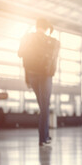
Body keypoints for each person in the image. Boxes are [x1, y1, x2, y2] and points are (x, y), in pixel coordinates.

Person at [18, 18, 60, 147]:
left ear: (36, 26)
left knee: (42, 106)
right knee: (44, 106)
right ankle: (43, 137)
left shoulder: (28, 37)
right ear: (46, 28)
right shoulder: (52, 42)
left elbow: (20, 54)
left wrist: (27, 79)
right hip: (45, 75)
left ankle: (44, 135)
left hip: (32, 75)